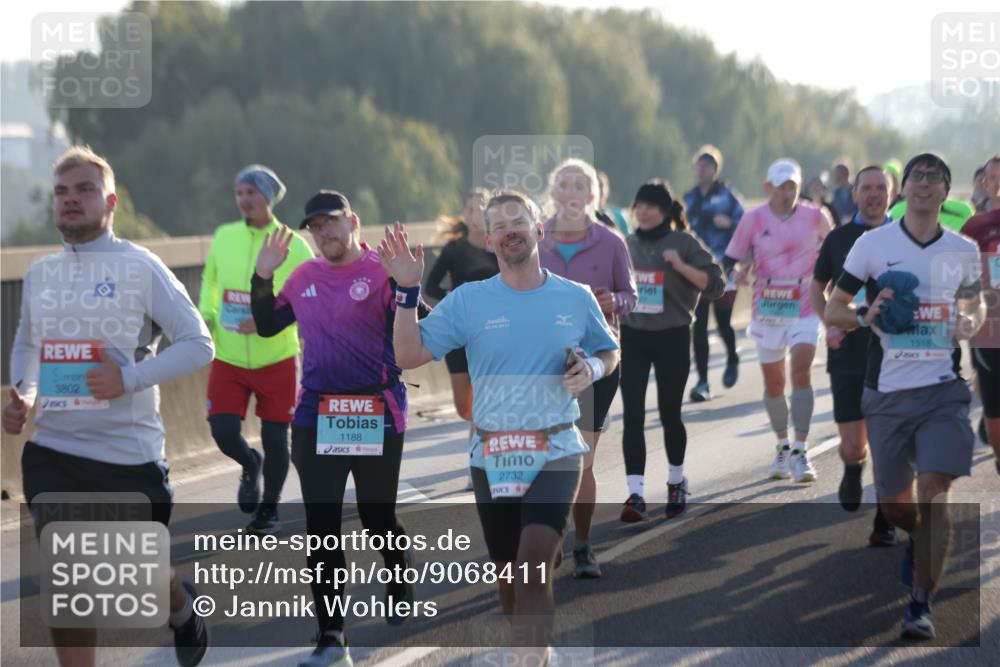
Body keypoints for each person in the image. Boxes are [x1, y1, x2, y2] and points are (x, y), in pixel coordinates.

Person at [380, 190, 619, 666]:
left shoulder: (574, 297)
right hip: (493, 453)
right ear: (489, 241)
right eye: (500, 224)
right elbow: (407, 356)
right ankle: (531, 647)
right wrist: (407, 291)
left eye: (519, 220)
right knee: (510, 576)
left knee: (532, 564)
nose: (510, 228)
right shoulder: (469, 302)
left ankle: (529, 658)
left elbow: (610, 351)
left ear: (538, 231)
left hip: (556, 446)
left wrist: (592, 369)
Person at [3, 145, 213, 667]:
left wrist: (127, 378)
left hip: (129, 454)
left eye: (84, 190)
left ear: (111, 201)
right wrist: (24, 393)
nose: (70, 200)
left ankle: (180, 609)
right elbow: (28, 343)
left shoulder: (140, 267)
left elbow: (197, 342)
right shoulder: (40, 275)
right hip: (55, 449)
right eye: (61, 192)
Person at [251, 190, 420, 667]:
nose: (324, 233)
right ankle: (331, 636)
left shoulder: (382, 270)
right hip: (316, 416)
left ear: (354, 222)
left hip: (376, 411)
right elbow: (267, 326)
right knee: (321, 529)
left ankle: (398, 564)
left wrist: (407, 287)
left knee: (375, 518)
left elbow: (420, 328)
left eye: (331, 223)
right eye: (315, 227)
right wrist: (262, 276)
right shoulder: (303, 276)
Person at [825, 152, 985, 639]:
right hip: (888, 392)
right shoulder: (873, 245)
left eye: (935, 178)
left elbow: (976, 302)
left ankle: (920, 604)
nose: (924, 184)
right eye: (917, 176)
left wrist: (970, 321)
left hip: (942, 391)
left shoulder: (962, 249)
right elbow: (835, 308)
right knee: (897, 508)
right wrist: (865, 316)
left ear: (945, 192)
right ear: (905, 188)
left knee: (936, 495)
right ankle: (920, 539)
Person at [198, 164, 313, 535]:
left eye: (251, 193)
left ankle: (269, 510)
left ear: (268, 197)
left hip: (276, 357)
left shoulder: (293, 245)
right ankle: (250, 464)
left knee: (277, 438)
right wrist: (207, 316)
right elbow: (210, 280)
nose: (244, 200)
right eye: (240, 193)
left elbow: (311, 298)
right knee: (223, 430)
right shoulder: (224, 235)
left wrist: (272, 320)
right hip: (229, 356)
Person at [538, 158, 636, 579]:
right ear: (554, 193)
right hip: (541, 362)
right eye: (565, 184)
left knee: (583, 459)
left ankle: (582, 544)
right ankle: (549, 538)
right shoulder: (534, 240)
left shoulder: (612, 243)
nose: (573, 191)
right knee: (545, 460)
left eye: (581, 185)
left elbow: (630, 296)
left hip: (596, 361)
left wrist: (615, 302)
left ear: (593, 195)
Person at [620, 180, 724, 522]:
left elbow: (715, 285)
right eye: (640, 205)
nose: (644, 211)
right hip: (633, 337)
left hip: (673, 335)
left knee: (669, 413)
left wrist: (680, 266)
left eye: (651, 205)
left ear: (665, 210)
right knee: (633, 414)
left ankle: (676, 482)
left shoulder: (683, 242)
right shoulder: (627, 245)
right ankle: (635, 493)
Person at [723, 158, 832, 483]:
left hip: (804, 302)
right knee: (774, 383)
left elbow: (837, 253)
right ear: (768, 187)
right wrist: (737, 273)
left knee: (801, 370)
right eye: (782, 186)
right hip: (768, 306)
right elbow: (729, 259)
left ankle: (800, 450)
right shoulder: (753, 219)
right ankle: (782, 444)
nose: (788, 193)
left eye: (793, 186)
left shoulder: (816, 216)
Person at [809, 165, 898, 547]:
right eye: (868, 188)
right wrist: (829, 324)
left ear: (892, 194)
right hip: (848, 349)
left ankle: (885, 520)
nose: (875, 194)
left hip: (895, 354)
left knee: (886, 440)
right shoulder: (840, 238)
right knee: (854, 443)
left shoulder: (905, 237)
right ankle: (850, 466)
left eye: (882, 188)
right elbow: (817, 287)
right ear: (856, 194)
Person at [424, 188, 499, 440]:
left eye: (482, 208)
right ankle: (481, 434)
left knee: (485, 400)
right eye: (471, 209)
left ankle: (480, 461)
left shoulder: (500, 246)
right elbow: (430, 286)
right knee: (464, 407)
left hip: (494, 330)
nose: (477, 214)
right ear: (464, 215)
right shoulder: (454, 250)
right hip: (460, 331)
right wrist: (454, 299)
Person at [684, 145, 745, 401]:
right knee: (697, 326)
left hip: (723, 270)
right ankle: (703, 381)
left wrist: (729, 224)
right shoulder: (688, 198)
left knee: (722, 324)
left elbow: (747, 228)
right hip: (695, 271)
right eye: (699, 165)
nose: (702, 169)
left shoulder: (728, 197)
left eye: (707, 165)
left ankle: (732, 356)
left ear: (715, 169)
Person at [960, 160, 1000, 473]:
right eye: (991, 177)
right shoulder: (975, 227)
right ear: (984, 183)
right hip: (989, 326)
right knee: (991, 397)